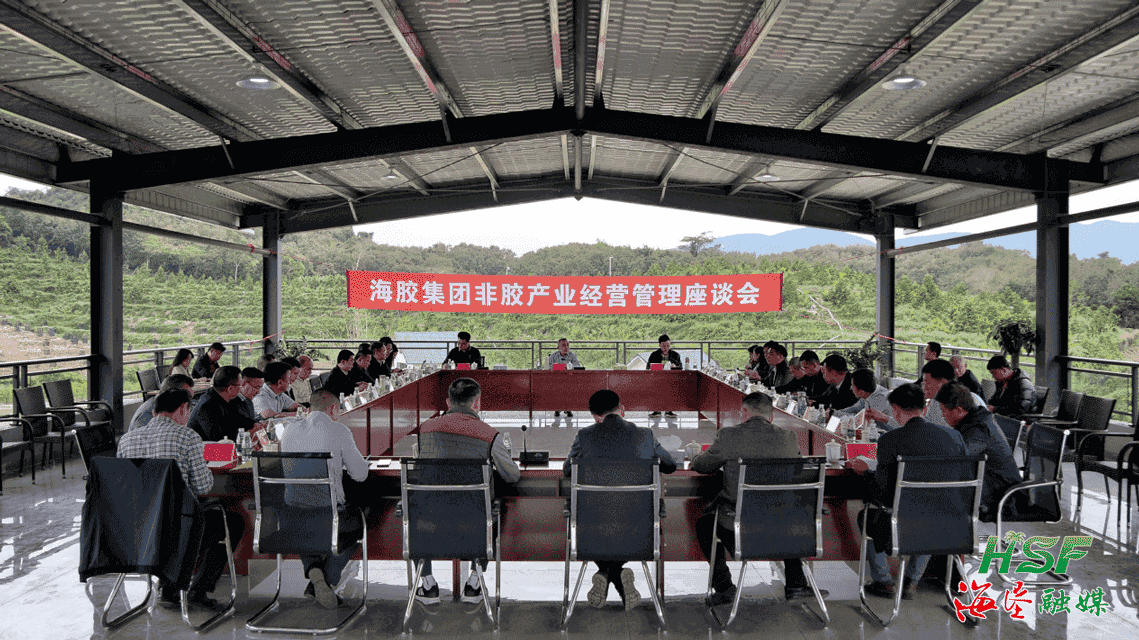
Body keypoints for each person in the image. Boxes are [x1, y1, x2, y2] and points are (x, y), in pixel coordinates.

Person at [116, 387, 244, 610]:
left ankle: (169, 587)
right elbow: (203, 486)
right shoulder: (187, 437)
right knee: (231, 522)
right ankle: (198, 590)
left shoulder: (127, 440)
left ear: (154, 411)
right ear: (184, 409)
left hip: (135, 527)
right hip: (178, 526)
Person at [691, 392, 814, 604]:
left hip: (739, 529)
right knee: (783, 506)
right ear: (772, 416)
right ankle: (796, 583)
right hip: (786, 530)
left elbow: (702, 466)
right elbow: (798, 474)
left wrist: (694, 455)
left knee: (704, 525)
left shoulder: (728, 435)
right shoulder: (789, 437)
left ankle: (724, 587)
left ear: (744, 412)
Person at [563, 389, 677, 610]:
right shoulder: (645, 435)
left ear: (595, 416)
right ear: (621, 409)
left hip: (591, 530)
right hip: (640, 529)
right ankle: (615, 574)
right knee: (623, 528)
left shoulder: (584, 436)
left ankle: (607, 572)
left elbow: (568, 470)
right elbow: (670, 465)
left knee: (600, 525)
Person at [413, 378, 520, 605]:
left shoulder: (426, 429)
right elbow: (512, 475)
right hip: (474, 522)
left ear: (448, 402)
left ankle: (428, 584)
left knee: (415, 510)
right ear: (477, 403)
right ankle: (474, 582)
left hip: (430, 519)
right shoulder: (489, 434)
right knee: (495, 511)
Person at [863, 383, 966, 600]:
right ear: (925, 409)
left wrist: (865, 474)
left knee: (867, 517)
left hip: (902, 526)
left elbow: (882, 491)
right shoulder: (954, 437)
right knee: (930, 509)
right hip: (951, 525)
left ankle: (883, 581)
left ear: (895, 410)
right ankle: (911, 580)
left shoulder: (890, 440)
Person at [279, 390, 370, 609]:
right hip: (331, 517)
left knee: (305, 525)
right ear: (333, 409)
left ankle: (313, 570)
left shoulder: (288, 430)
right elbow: (360, 474)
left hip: (292, 516)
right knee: (358, 525)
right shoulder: (339, 430)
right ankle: (325, 581)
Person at [936, 382, 1023, 521]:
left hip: (1001, 497)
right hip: (989, 485)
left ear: (959, 410)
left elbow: (957, 457)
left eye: (943, 411)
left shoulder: (980, 429)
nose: (942, 416)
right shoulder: (974, 420)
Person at [186, 366, 244, 442]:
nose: (242, 388)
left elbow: (241, 422)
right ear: (230, 388)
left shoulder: (230, 399)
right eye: (240, 385)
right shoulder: (207, 406)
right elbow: (219, 439)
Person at [834, 369, 898, 431]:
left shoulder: (880, 399)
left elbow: (861, 420)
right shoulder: (868, 392)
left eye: (853, 386)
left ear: (861, 391)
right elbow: (853, 409)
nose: (851, 388)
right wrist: (834, 412)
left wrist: (836, 414)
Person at [129, 373, 194, 432]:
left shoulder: (166, 408)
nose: (189, 403)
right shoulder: (147, 413)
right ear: (172, 392)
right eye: (187, 397)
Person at [647, 334, 683, 418]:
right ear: (659, 345)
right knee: (655, 387)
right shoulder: (654, 355)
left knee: (672, 387)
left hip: (671, 378)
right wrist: (659, 367)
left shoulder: (675, 355)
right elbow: (648, 367)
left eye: (668, 345)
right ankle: (656, 410)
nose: (666, 348)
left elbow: (680, 367)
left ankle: (669, 410)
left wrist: (674, 367)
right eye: (663, 346)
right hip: (657, 378)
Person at [549, 338, 582, 417]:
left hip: (569, 379)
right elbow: (550, 367)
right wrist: (564, 366)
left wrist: (568, 367)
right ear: (558, 347)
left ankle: (567, 408)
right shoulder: (553, 355)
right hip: (556, 379)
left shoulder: (572, 355)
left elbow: (578, 366)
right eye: (563, 345)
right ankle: (558, 408)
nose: (566, 347)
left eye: (567, 345)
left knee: (569, 387)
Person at [234, 366, 267, 432]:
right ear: (243, 383)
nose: (258, 392)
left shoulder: (248, 401)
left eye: (260, 388)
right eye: (256, 387)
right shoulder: (232, 401)